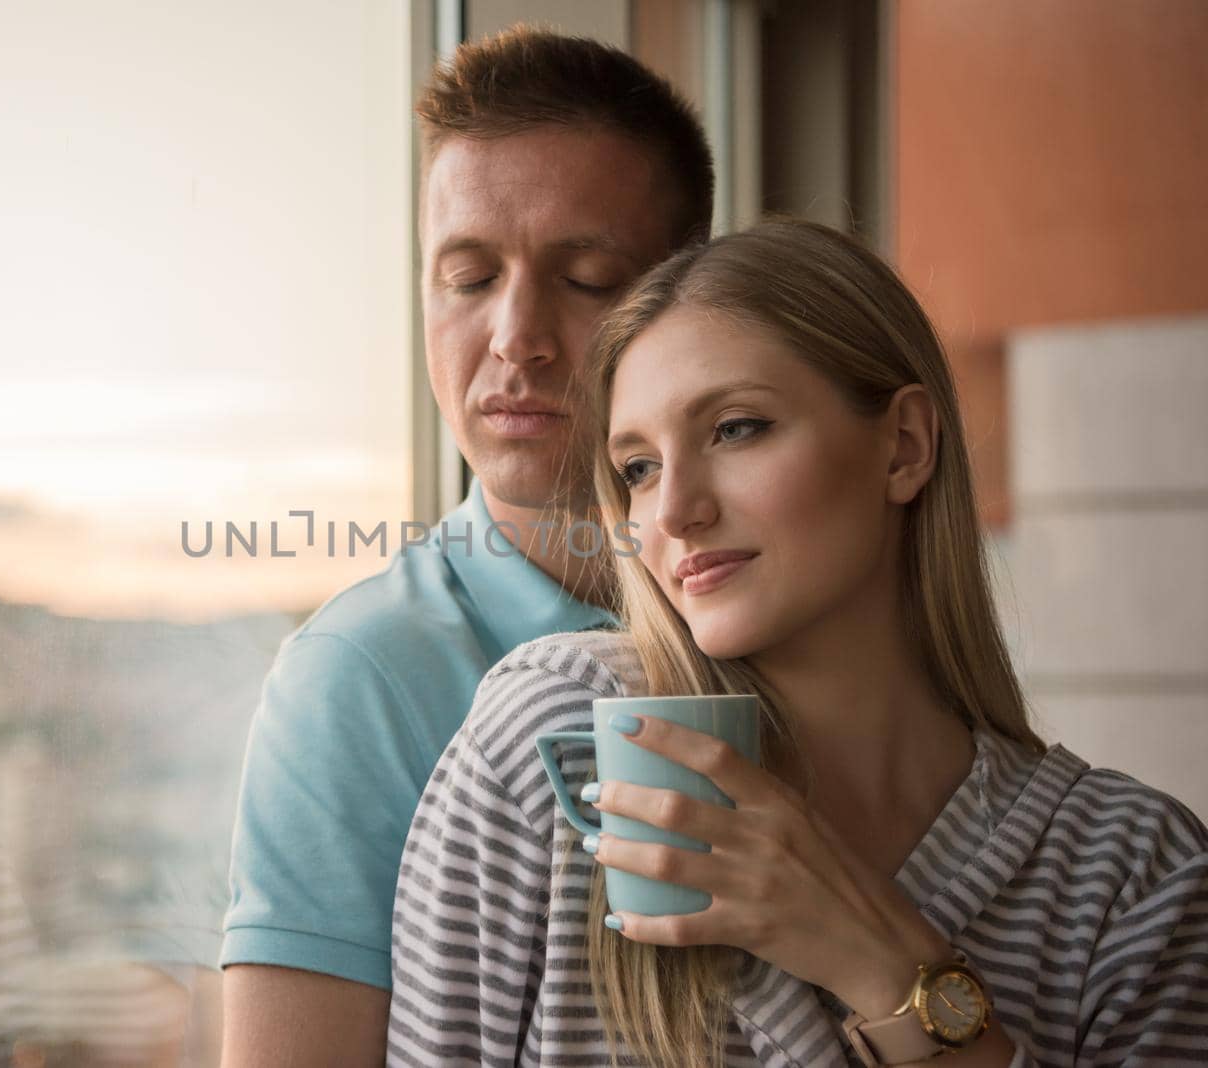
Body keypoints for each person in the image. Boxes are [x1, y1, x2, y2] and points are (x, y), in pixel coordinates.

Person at [387, 219, 1208, 1067]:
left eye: (736, 428)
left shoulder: (1136, 877)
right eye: (638, 468)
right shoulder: (560, 747)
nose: (673, 513)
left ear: (906, 445)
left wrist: (890, 969)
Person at [218, 26, 715, 1066]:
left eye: (583, 278)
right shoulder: (355, 677)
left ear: (684, 303)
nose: (515, 336)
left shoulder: (779, 610)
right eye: (468, 276)